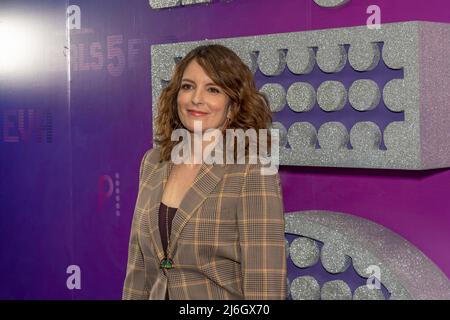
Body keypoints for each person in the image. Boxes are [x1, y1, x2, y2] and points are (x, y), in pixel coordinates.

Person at [122, 44, 286, 300]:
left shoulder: (251, 170)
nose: (196, 98)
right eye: (188, 86)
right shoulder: (154, 162)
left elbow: (264, 285)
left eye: (213, 89)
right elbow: (138, 266)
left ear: (233, 105)